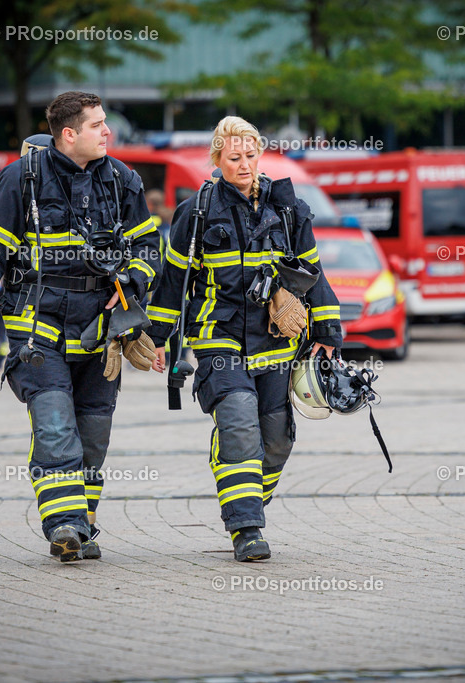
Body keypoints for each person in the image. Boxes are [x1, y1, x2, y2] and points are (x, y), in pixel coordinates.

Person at [0, 92, 160, 562]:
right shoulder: (20, 179)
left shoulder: (122, 180)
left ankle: (82, 525)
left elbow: (149, 248)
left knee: (93, 434)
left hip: (101, 329)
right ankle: (63, 525)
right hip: (37, 327)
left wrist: (132, 281)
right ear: (69, 134)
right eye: (97, 125)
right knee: (54, 424)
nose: (108, 132)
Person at [147, 116, 343, 562]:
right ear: (217, 159)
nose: (245, 164)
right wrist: (158, 336)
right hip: (218, 336)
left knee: (276, 439)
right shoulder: (196, 212)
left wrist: (328, 331)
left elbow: (314, 273)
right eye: (234, 157)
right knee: (238, 422)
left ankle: (249, 498)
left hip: (275, 341)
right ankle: (246, 528)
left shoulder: (289, 209)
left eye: (251, 155)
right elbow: (173, 281)